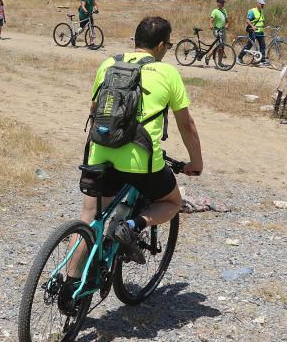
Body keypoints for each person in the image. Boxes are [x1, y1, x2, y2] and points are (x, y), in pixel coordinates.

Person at [79, 16, 203, 265]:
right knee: (172, 201)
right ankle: (133, 225)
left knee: (89, 216)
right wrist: (195, 163)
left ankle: (69, 283)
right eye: (168, 46)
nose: (167, 51)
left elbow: (95, 109)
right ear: (159, 45)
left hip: (101, 152)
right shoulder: (167, 72)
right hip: (141, 162)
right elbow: (186, 125)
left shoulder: (109, 64)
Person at [241, 0, 270, 66]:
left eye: (263, 5)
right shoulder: (252, 11)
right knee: (249, 45)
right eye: (261, 4)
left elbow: (261, 21)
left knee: (263, 46)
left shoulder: (261, 11)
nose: (263, 6)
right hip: (253, 31)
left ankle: (262, 60)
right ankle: (239, 57)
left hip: (260, 31)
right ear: (257, 4)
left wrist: (265, 26)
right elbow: (247, 20)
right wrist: (252, 26)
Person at [206, 0, 229, 65]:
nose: (223, 4)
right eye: (222, 3)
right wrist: (210, 25)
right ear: (218, 3)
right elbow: (210, 20)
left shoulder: (224, 11)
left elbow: (227, 21)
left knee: (222, 47)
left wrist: (227, 25)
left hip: (223, 31)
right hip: (217, 30)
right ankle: (209, 56)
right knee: (219, 46)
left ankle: (219, 62)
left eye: (223, 3)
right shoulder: (215, 11)